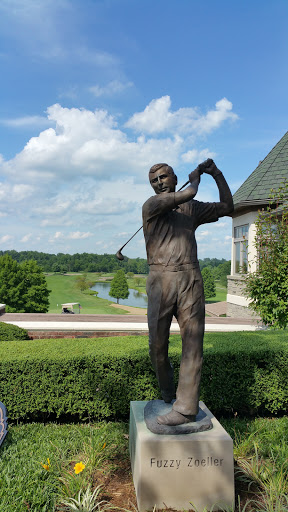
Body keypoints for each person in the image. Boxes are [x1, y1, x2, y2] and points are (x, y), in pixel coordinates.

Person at [142, 159, 233, 426]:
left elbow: (228, 207)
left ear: (173, 177)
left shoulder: (190, 208)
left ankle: (185, 407)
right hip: (160, 280)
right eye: (154, 180)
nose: (159, 183)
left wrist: (217, 173)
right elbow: (191, 191)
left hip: (190, 278)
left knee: (193, 343)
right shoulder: (151, 205)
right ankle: (168, 393)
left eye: (163, 177)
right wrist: (196, 179)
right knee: (157, 348)